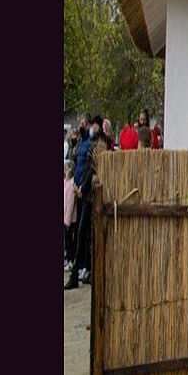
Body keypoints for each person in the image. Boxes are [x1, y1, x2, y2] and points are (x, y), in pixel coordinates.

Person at [65, 115, 106, 290]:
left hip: (91, 198)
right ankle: (80, 271)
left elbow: (90, 171)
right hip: (85, 195)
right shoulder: (85, 145)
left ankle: (83, 271)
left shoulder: (93, 149)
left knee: (84, 235)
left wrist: (83, 187)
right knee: (83, 234)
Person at [64, 161, 77, 271]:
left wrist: (67, 220)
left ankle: (71, 260)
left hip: (70, 218)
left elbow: (70, 203)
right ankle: (68, 259)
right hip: (65, 217)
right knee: (67, 240)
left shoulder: (72, 183)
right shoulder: (66, 182)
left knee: (70, 241)